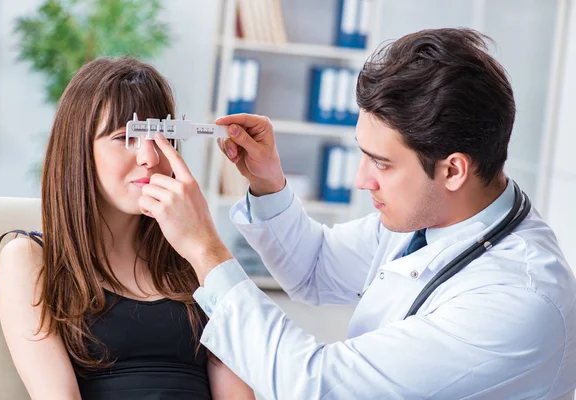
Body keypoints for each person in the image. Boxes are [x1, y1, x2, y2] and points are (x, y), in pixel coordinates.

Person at [128, 28, 576, 399]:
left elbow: (314, 384)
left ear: (453, 170)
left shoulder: (517, 302)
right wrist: (268, 183)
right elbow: (316, 268)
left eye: (381, 163)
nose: (362, 179)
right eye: (362, 155)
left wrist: (204, 247)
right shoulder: (434, 220)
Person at [0, 57, 254, 399]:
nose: (149, 157)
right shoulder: (30, 258)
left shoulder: (196, 262)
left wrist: (206, 248)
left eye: (160, 136)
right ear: (79, 151)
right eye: (126, 137)